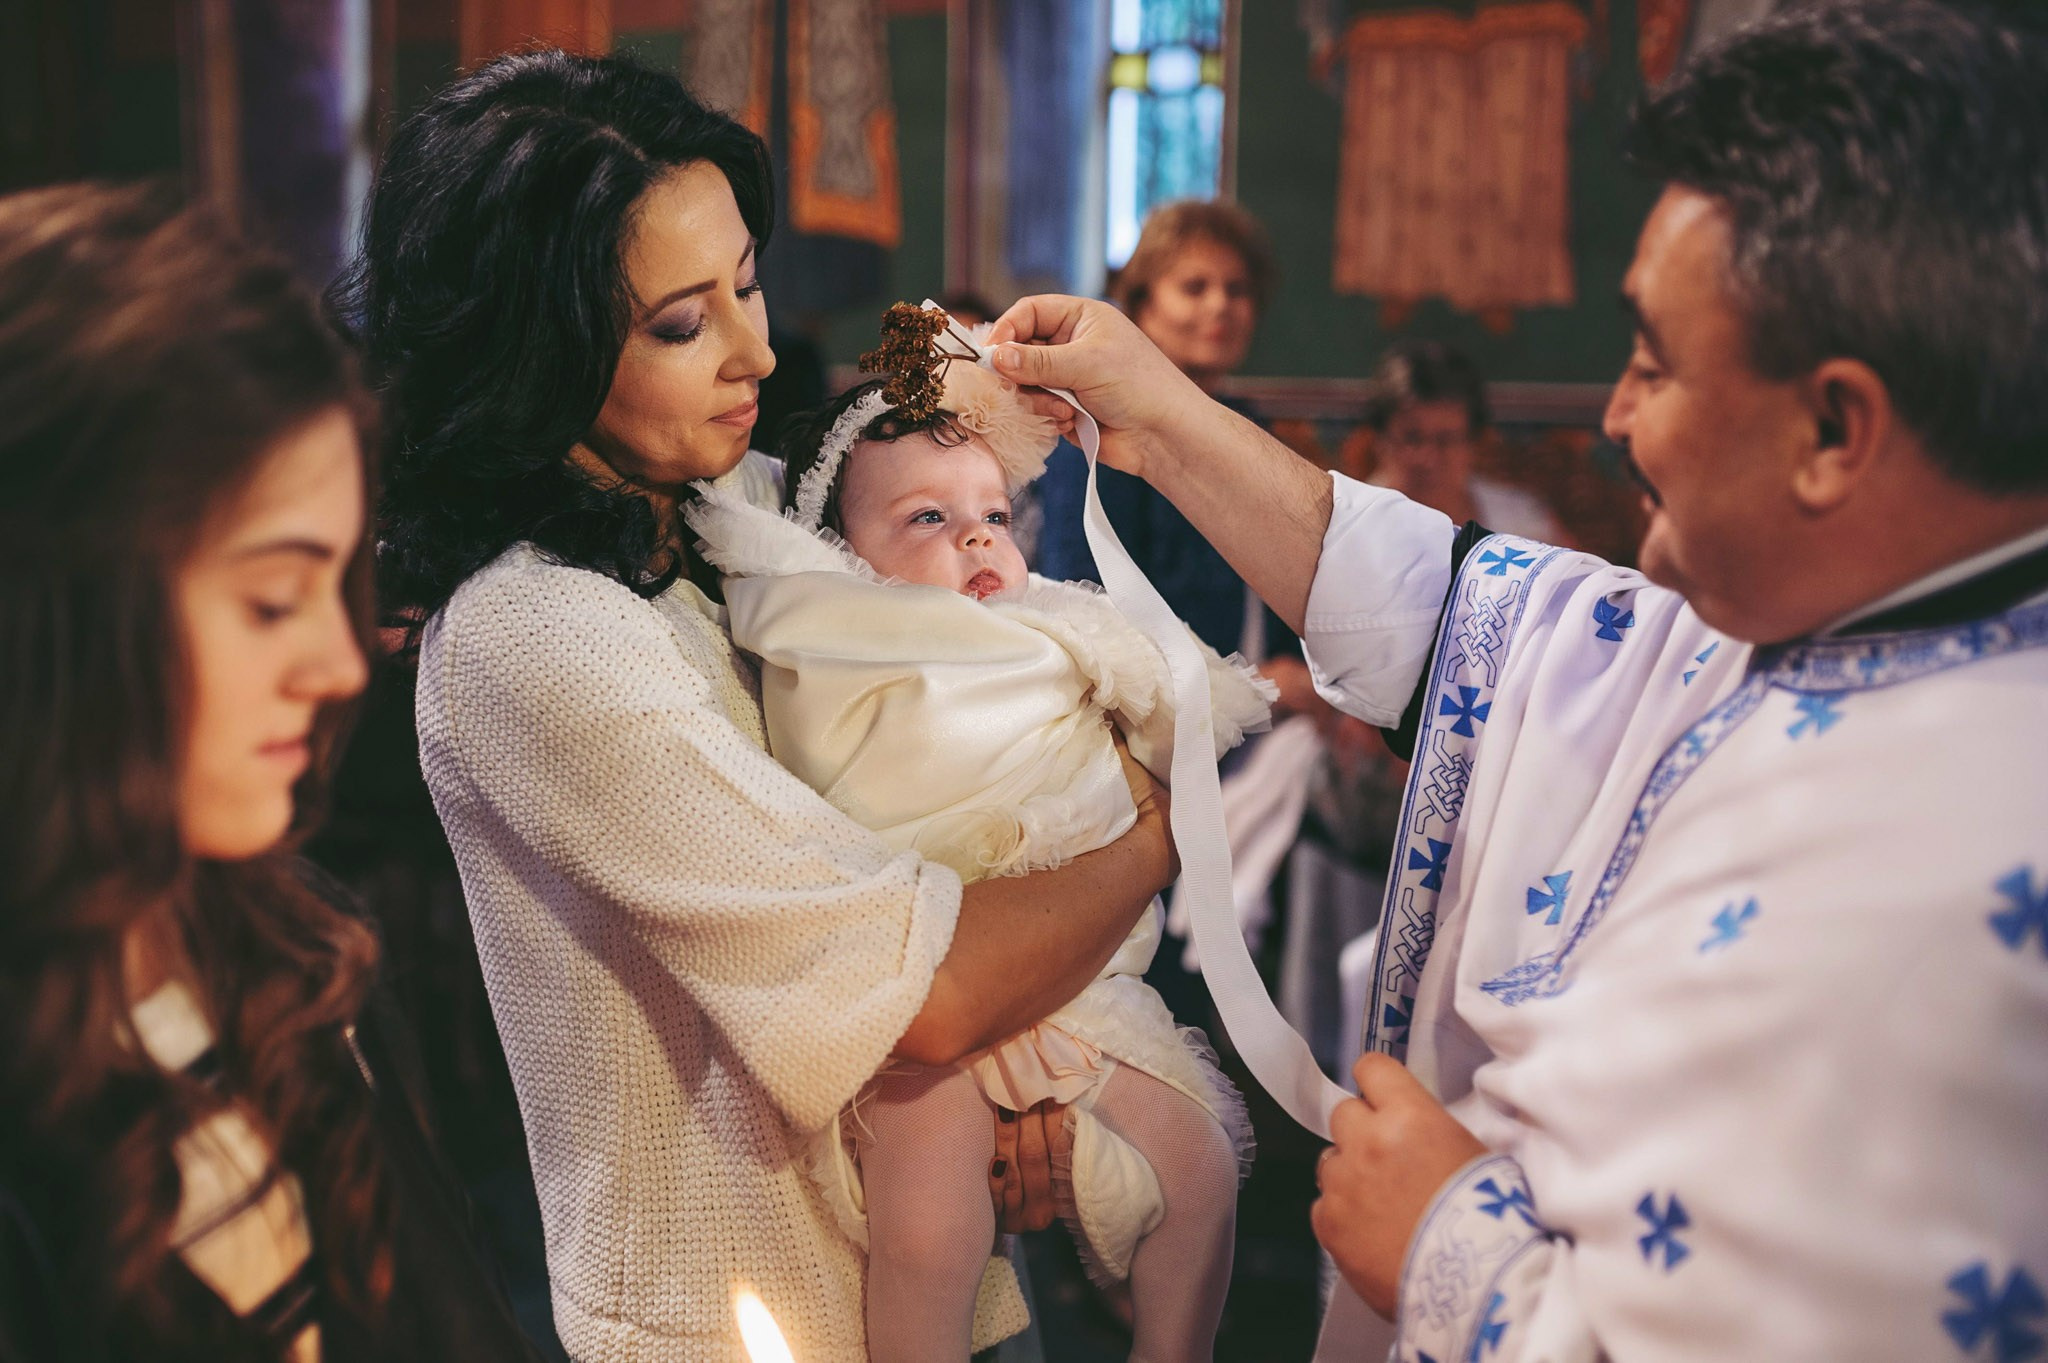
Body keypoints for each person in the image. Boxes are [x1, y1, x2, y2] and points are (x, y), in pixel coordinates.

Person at [982, 1, 2048, 1357]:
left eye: (1656, 362)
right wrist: (1163, 409)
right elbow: (1473, 618)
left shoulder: (1963, 878)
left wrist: (1450, 1248)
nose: (1611, 417)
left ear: (1835, 427)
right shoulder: (1837, 625)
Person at [336, 51, 1175, 1360]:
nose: (758, 348)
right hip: (743, 1312)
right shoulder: (533, 626)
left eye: (745, 283)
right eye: (680, 322)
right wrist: (1166, 827)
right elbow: (923, 987)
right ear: (533, 348)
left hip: (915, 1266)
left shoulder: (722, 524)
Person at [0, 184, 539, 1363]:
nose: (340, 663)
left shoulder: (292, 963)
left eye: (339, 585)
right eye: (267, 597)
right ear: (55, 603)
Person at [687, 313, 1261, 1360]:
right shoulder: (835, 636)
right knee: (931, 1221)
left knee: (1203, 1163)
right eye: (924, 518)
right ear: (838, 557)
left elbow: (1138, 702)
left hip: (1066, 980)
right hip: (919, 991)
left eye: (992, 512)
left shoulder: (1046, 630)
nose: (976, 537)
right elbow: (835, 771)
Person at [1361, 341, 1567, 544]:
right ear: (1379, 439)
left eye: (1445, 440)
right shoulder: (1350, 530)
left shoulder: (1523, 526)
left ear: (1474, 443)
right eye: (1412, 438)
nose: (1428, 458)